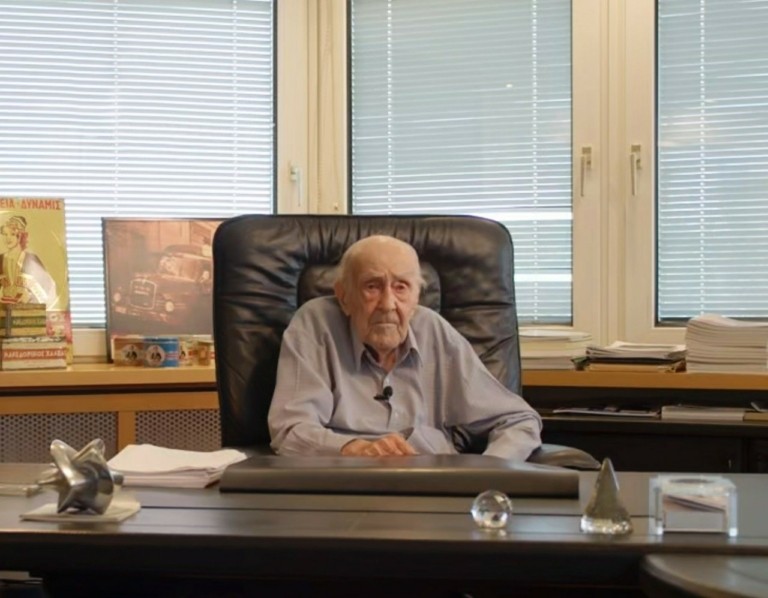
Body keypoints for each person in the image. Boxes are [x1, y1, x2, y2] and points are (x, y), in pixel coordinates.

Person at [267, 235, 542, 461]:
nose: (388, 304)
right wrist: (351, 449)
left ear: (416, 298)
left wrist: (487, 473)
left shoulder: (434, 331)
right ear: (344, 297)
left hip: (432, 487)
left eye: (401, 288)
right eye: (372, 286)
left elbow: (518, 419)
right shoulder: (315, 325)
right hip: (348, 482)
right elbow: (290, 431)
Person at [0, 214, 58, 308]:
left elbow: (49, 288)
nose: (8, 238)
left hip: (27, 311)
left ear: (20, 236)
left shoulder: (31, 259)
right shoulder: (1, 259)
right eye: (5, 234)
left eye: (12, 234)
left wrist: (29, 296)